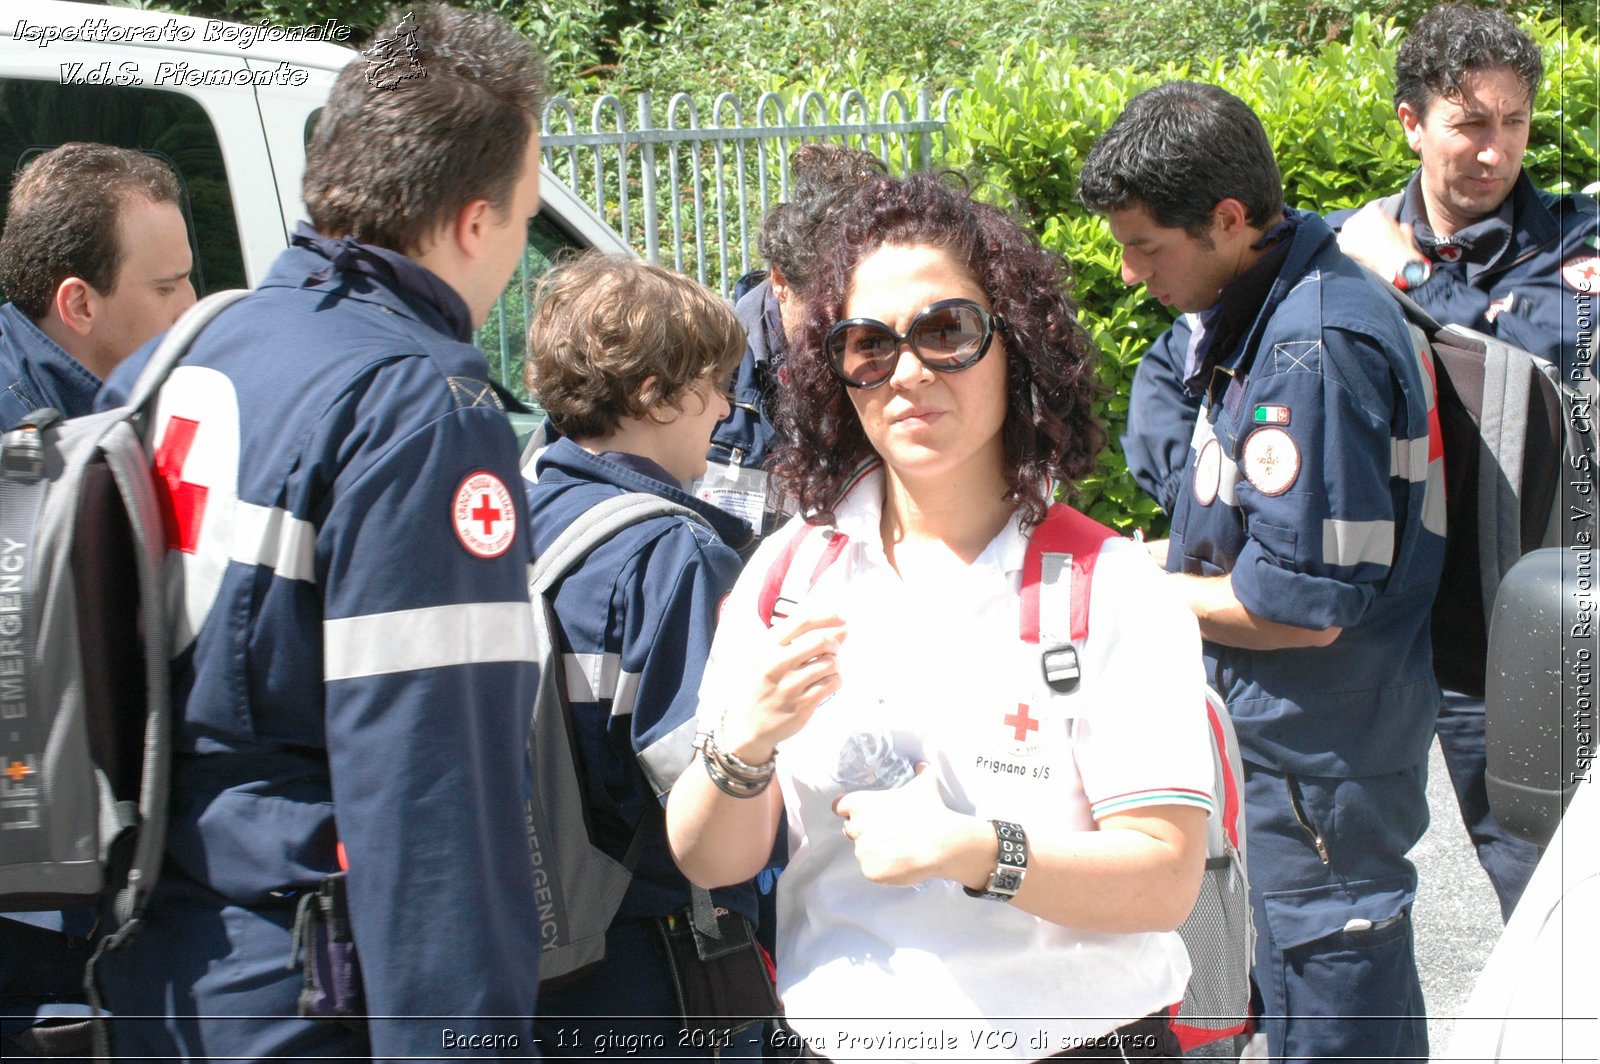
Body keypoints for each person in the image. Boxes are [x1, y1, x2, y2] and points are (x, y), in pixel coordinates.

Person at [666, 170, 1214, 1062]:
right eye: (868, 345)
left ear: (1017, 344)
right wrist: (746, 742)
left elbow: (1163, 879)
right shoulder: (790, 575)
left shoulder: (1110, 586)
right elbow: (711, 862)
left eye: (946, 330)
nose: (907, 373)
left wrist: (973, 852)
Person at [92, 6, 546, 1058]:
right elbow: (436, 799)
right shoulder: (422, 405)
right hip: (305, 986)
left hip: (155, 973)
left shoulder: (191, 348)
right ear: (476, 223)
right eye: (525, 217)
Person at [1078, 82, 1447, 1062]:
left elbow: (1299, 606)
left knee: (1333, 1022)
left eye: (1145, 244)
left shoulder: (1310, 349)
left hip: (1312, 762)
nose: (1127, 270)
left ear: (1229, 219)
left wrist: (1124, 588)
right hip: (1285, 749)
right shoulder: (1269, 309)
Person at [1331, 2, 1597, 921]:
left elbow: (1543, 390)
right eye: (1470, 124)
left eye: (1514, 122)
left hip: (1517, 638)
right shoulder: (1333, 250)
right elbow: (1194, 359)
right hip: (1372, 632)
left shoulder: (1579, 254)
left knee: (1552, 897)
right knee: (1344, 898)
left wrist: (1410, 281)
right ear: (1411, 123)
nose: (1495, 150)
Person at [522, 252, 770, 1058]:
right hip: (663, 964)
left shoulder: (520, 515)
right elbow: (705, 794)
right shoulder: (673, 556)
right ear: (655, 394)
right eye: (713, 382)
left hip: (542, 951)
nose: (729, 408)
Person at [689, 143, 886, 539]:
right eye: (823, 312)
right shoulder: (706, 363)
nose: (841, 332)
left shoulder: (896, 357)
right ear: (779, 281)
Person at [0, 143, 195, 429]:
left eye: (187, 278)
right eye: (165, 289)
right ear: (79, 306)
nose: (191, 309)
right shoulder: (15, 441)